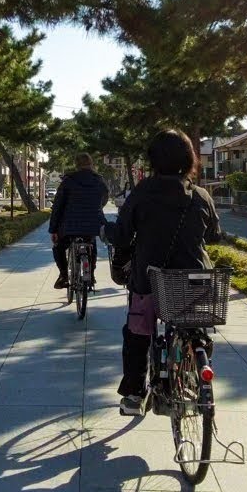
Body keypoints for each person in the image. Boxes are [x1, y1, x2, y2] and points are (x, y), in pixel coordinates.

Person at [104, 130, 221, 416]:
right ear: (189, 158)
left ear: (154, 160)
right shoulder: (200, 195)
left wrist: (105, 230)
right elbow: (216, 236)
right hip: (195, 281)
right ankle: (194, 366)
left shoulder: (143, 192)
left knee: (137, 334)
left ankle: (134, 394)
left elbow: (121, 236)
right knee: (197, 329)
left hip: (150, 281)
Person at [49, 153, 110, 290]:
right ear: (91, 164)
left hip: (70, 225)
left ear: (76, 165)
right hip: (93, 223)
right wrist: (96, 208)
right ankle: (91, 275)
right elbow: (104, 198)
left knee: (58, 247)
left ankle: (64, 276)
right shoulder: (99, 181)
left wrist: (53, 229)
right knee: (91, 244)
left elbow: (58, 206)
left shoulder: (68, 181)